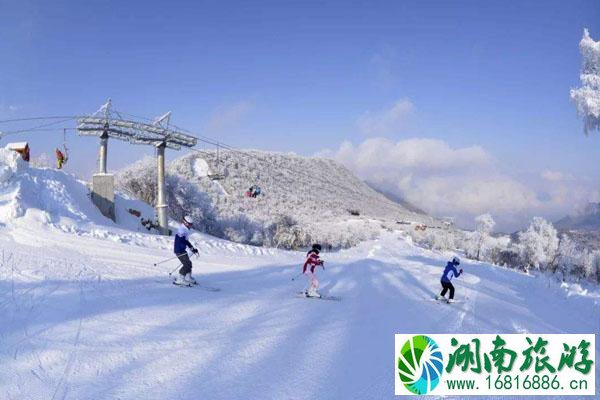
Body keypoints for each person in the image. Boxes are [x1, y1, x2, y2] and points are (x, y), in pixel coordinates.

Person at [173, 215, 199, 286]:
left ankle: (188, 277)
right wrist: (186, 247)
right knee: (186, 264)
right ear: (185, 223)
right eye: (190, 224)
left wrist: (192, 248)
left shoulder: (185, 229)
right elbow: (181, 240)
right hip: (179, 250)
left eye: (191, 224)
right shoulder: (182, 230)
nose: (191, 226)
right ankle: (180, 279)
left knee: (189, 263)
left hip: (182, 250)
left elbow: (186, 241)